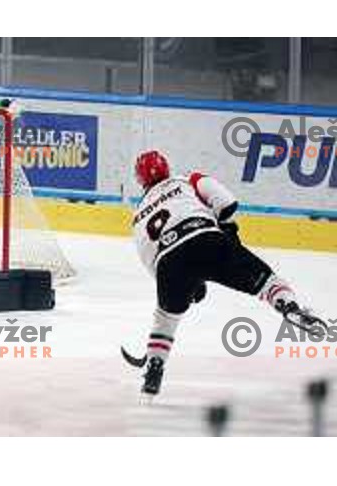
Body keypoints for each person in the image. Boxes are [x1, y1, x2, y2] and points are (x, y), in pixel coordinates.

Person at [126, 149, 325, 396]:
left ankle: (155, 367)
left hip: (168, 263)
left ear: (140, 179)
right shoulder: (187, 179)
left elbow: (150, 258)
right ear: (167, 167)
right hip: (205, 239)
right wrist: (228, 232)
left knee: (166, 317)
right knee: (266, 281)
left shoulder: (137, 216)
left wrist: (186, 286)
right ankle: (289, 307)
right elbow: (227, 201)